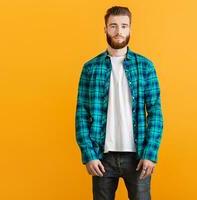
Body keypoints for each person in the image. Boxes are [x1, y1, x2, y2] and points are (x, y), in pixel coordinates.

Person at [75, 6, 164, 200]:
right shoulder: (90, 68)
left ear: (130, 29)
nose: (118, 31)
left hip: (138, 156)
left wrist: (150, 153)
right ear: (105, 29)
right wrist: (89, 154)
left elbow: (155, 112)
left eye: (124, 26)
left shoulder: (145, 66)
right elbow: (81, 113)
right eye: (113, 26)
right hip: (102, 157)